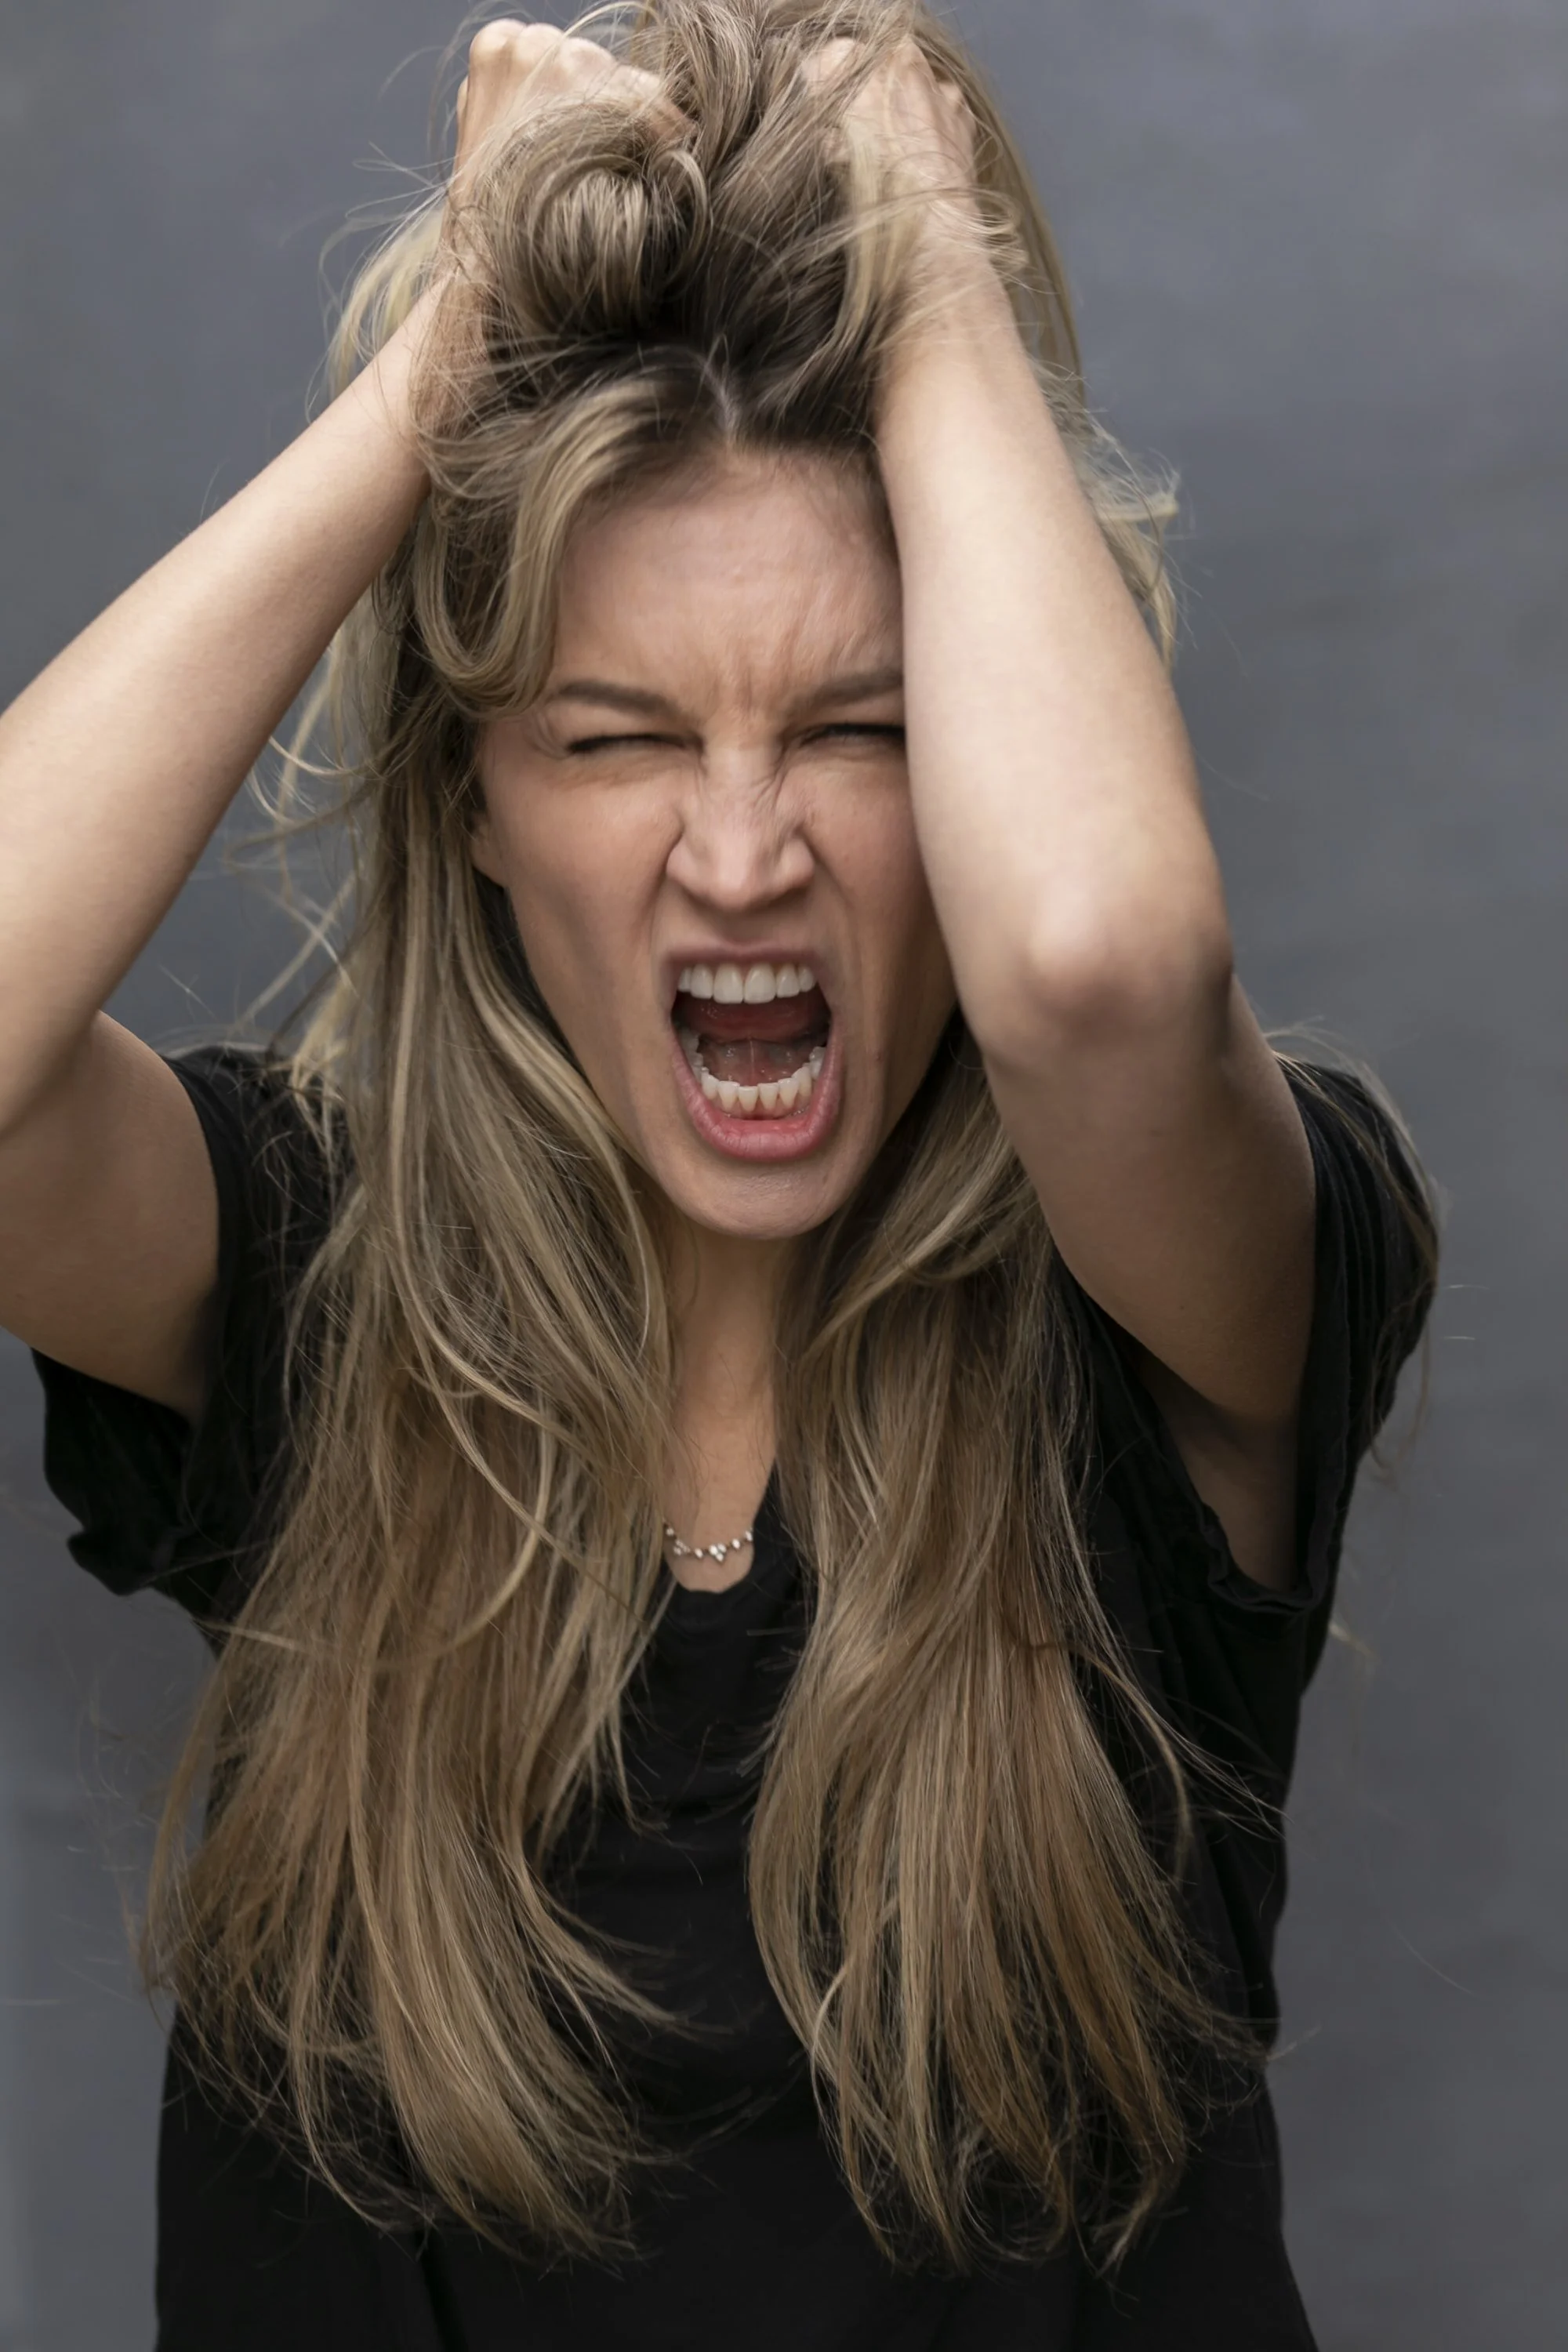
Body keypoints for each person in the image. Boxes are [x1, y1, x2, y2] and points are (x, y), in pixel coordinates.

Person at [0, 4, 1436, 2346]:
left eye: (860, 731)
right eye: (618, 736)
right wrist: (440, 363)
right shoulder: (303, 1297)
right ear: (476, 799)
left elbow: (1092, 964)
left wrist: (934, 265)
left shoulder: (1171, 1312)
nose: (745, 855)